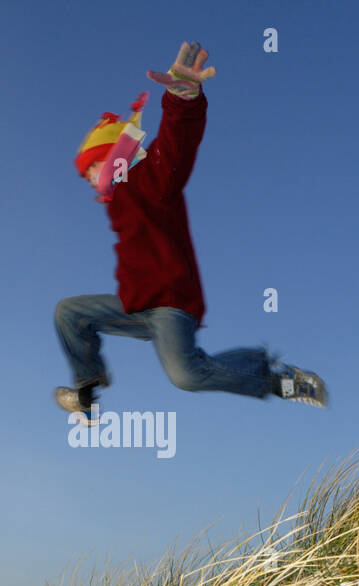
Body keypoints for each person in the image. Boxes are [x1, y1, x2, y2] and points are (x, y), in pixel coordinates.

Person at [54, 41, 328, 423]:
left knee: (186, 375)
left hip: (170, 304)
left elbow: (175, 148)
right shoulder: (120, 200)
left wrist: (183, 99)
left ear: (116, 157)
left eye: (92, 170)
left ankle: (276, 379)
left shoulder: (152, 179)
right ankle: (86, 388)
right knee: (70, 312)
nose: (89, 181)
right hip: (136, 305)